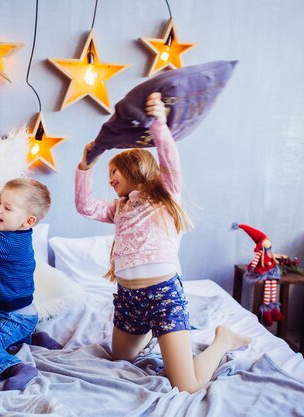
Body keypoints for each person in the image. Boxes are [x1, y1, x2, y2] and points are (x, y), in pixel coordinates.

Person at [75, 92, 252, 393]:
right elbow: (85, 206)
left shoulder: (164, 196)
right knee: (122, 357)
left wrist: (158, 123)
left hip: (163, 296)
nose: (110, 180)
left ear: (134, 168)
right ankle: (154, 333)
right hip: (129, 300)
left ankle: (223, 339)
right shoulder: (119, 207)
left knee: (187, 386)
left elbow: (170, 161)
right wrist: (85, 165)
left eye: (113, 172)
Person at [0, 178, 62, 391]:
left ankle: (17, 368)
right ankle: (32, 338)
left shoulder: (7, 244)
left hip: (13, 317)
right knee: (7, 341)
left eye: (7, 208)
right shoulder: (15, 236)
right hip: (18, 314)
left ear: (28, 221)